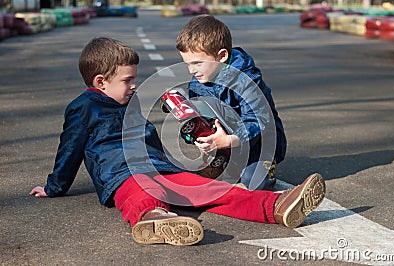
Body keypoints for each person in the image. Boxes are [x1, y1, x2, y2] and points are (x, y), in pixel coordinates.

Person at [30, 37, 326, 247]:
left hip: (161, 168)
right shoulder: (84, 107)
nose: (134, 85)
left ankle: (275, 207)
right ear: (100, 82)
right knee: (140, 193)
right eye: (127, 80)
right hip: (121, 174)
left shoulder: (131, 104)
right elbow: (69, 149)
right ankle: (154, 218)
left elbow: (152, 143)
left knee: (213, 190)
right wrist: (54, 187)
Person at [176, 15, 287, 190]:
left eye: (197, 63)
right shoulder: (198, 82)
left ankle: (266, 163)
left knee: (254, 183)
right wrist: (194, 133)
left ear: (221, 56)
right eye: (187, 64)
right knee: (206, 180)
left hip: (258, 143)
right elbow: (201, 118)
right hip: (226, 142)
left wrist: (229, 141)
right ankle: (228, 161)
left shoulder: (247, 81)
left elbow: (259, 122)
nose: (192, 70)